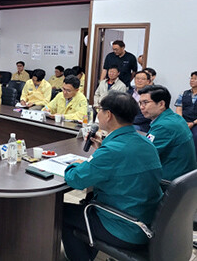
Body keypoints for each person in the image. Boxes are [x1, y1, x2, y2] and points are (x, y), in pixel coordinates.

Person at [62, 91, 163, 261]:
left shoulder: (111, 151)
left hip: (125, 227)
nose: (97, 113)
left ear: (108, 115)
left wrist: (75, 165)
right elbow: (123, 162)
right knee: (85, 204)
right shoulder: (146, 142)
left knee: (61, 213)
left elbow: (76, 179)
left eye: (99, 109)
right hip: (147, 221)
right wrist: (101, 149)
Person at [139, 85, 197, 181]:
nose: (141, 107)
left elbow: (143, 156)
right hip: (185, 181)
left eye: (145, 103)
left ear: (161, 104)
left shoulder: (163, 126)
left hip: (168, 182)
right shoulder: (175, 117)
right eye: (140, 103)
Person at [175, 71, 197, 156]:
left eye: (195, 79)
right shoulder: (183, 93)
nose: (192, 80)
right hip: (184, 120)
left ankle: (193, 159)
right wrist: (181, 121)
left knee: (195, 136)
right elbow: (179, 108)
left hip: (195, 122)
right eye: (191, 78)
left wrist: (193, 123)